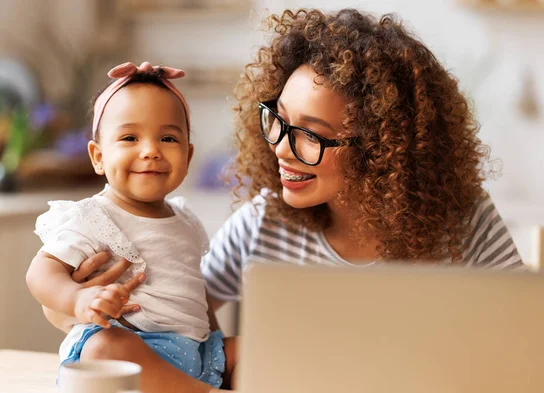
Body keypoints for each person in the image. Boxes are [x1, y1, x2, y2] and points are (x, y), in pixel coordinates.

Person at [43, 8, 524, 392]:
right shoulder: (263, 221)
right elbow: (177, 319)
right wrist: (70, 302)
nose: (279, 148)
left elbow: (527, 339)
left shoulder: (464, 221)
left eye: (311, 136)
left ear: (381, 150)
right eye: (278, 120)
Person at [26, 61, 237, 393]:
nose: (150, 151)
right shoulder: (93, 217)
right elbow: (40, 273)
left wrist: (217, 342)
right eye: (129, 137)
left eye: (168, 138)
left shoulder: (186, 220)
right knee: (105, 347)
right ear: (98, 156)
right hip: (131, 352)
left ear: (188, 154)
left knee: (250, 350)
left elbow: (197, 294)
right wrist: (78, 298)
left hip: (196, 351)